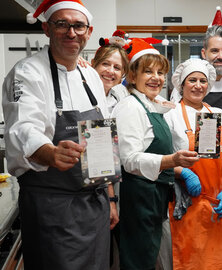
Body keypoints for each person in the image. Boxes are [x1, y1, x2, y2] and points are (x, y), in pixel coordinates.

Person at [2, 0, 113, 269]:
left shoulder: (90, 75)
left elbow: (102, 137)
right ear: (47, 29)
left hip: (94, 204)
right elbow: (22, 128)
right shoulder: (27, 73)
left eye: (78, 25)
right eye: (62, 24)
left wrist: (110, 197)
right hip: (52, 207)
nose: (71, 32)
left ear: (89, 31)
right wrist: (50, 153)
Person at [112, 38, 200, 270]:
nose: (156, 78)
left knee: (151, 258)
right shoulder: (130, 107)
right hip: (137, 197)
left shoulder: (151, 104)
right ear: (132, 76)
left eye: (161, 73)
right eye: (148, 71)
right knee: (138, 260)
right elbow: (129, 159)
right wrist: (172, 161)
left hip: (154, 196)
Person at [170, 6, 222, 226]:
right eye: (215, 51)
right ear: (204, 52)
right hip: (190, 175)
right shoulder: (178, 93)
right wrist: (183, 172)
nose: (220, 57)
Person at [164, 58, 222, 270]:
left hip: (217, 201)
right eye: (192, 80)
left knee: (218, 262)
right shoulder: (171, 115)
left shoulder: (218, 115)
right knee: (192, 261)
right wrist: (183, 173)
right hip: (188, 202)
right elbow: (162, 158)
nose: (198, 85)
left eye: (203, 81)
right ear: (182, 84)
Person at [91, 33, 130, 115]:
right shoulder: (81, 93)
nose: (111, 71)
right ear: (93, 64)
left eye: (117, 67)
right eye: (105, 64)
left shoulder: (119, 100)